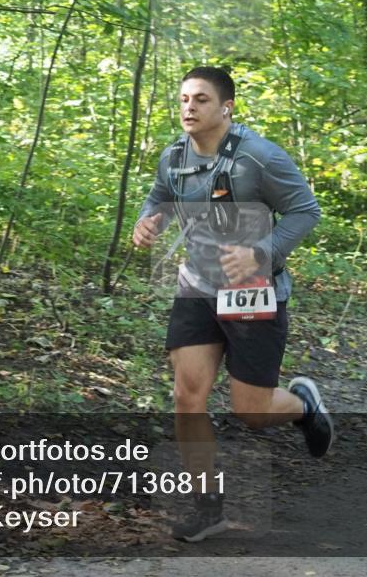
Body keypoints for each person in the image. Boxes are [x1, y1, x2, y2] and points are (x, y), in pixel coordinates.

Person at [132, 65, 332, 542]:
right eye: (183, 99)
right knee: (187, 396)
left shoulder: (258, 158)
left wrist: (261, 252)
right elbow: (158, 196)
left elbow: (306, 210)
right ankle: (207, 507)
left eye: (200, 99)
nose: (189, 107)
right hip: (197, 287)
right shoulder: (173, 157)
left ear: (226, 107)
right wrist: (148, 219)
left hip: (253, 290)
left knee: (252, 412)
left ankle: (303, 406)